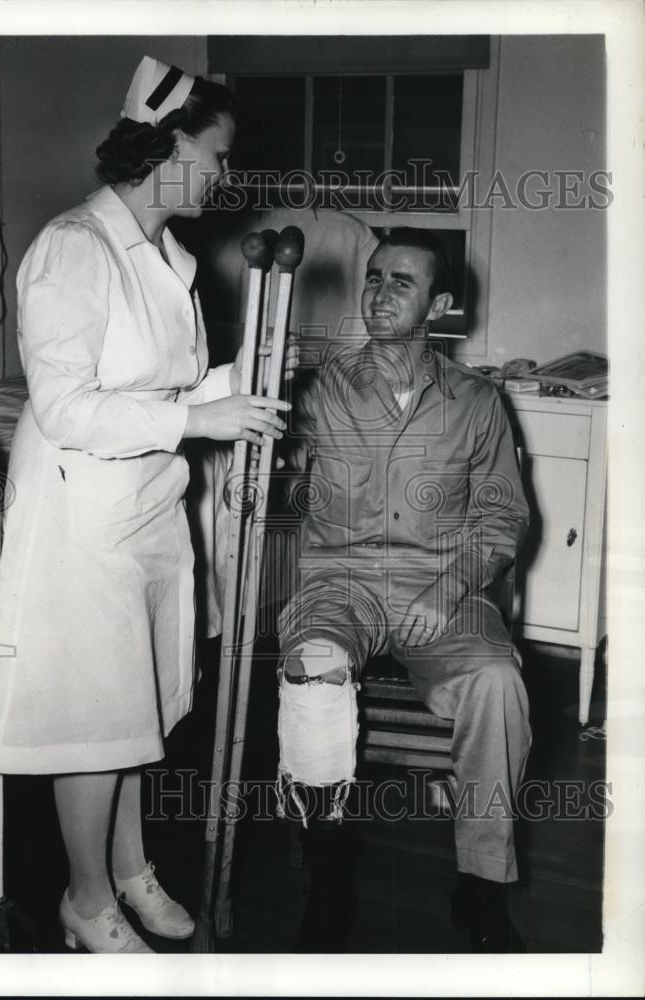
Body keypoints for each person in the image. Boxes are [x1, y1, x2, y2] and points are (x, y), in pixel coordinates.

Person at [0, 56, 292, 954]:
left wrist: (247, 383)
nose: (229, 174)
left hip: (150, 502)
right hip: (83, 511)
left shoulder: (170, 256)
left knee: (137, 713)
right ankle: (84, 899)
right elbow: (68, 406)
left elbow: (175, 382)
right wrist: (199, 414)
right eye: (221, 153)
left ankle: (127, 870)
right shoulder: (73, 248)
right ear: (169, 145)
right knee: (93, 720)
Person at [275, 227, 531, 952]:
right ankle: (327, 885)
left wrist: (447, 593)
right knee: (314, 671)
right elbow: (272, 492)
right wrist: (264, 441)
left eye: (402, 282)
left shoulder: (477, 402)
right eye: (374, 276)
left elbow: (502, 515)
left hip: (440, 587)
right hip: (339, 581)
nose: (379, 292)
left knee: (496, 682)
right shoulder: (319, 388)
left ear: (440, 304)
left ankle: (480, 886)